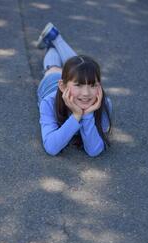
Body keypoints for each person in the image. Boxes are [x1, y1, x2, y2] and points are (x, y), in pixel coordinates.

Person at [36, 23, 112, 157]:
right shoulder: (48, 102)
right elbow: (51, 147)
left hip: (70, 80)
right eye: (79, 85)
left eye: (93, 85)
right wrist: (76, 115)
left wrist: (87, 114)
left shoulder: (104, 103)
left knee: (81, 67)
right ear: (62, 86)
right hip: (51, 84)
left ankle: (54, 40)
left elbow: (94, 150)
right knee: (54, 68)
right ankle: (54, 42)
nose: (86, 93)